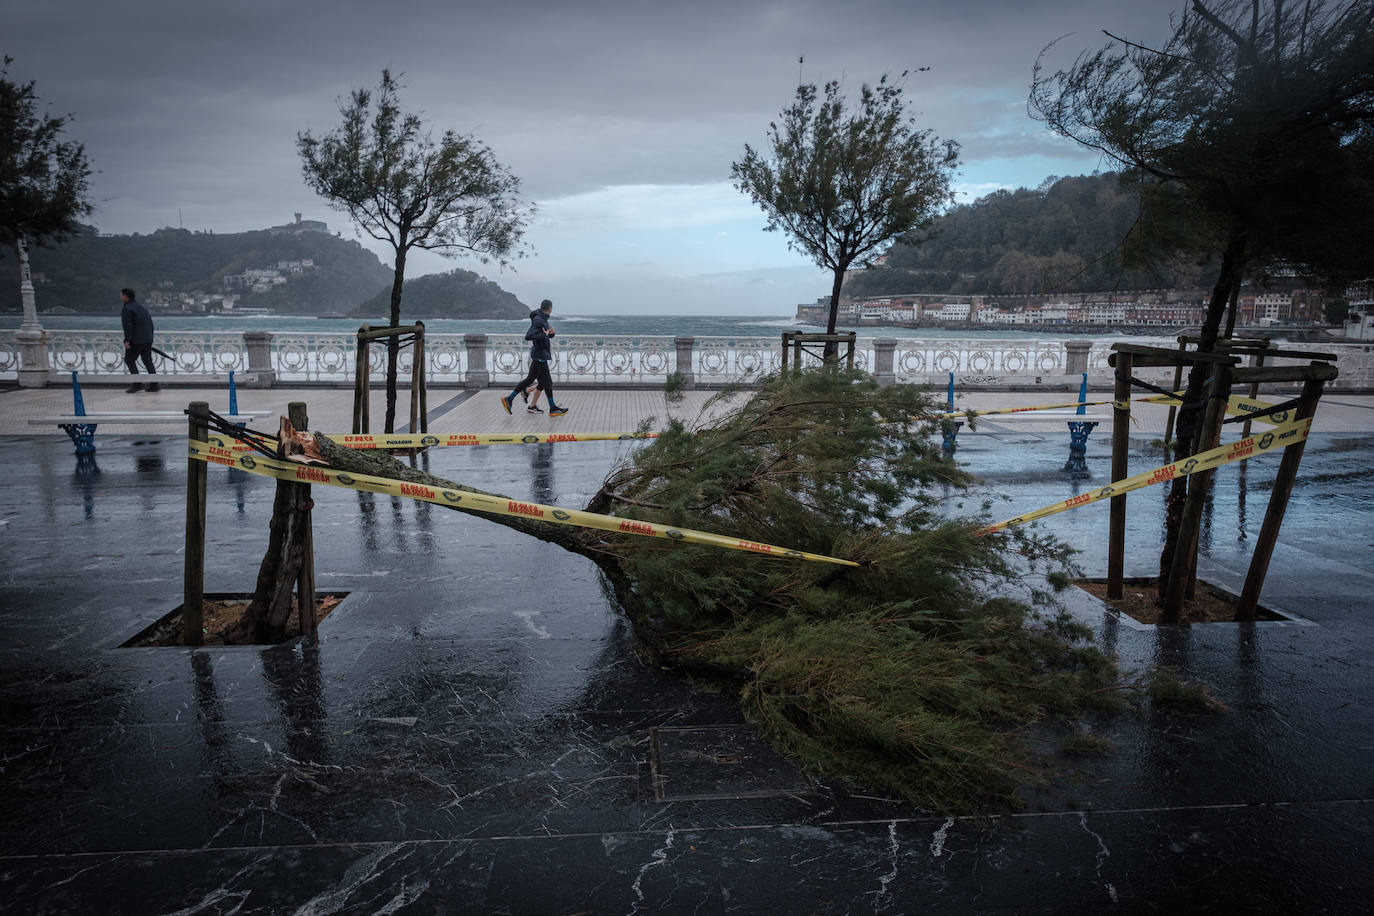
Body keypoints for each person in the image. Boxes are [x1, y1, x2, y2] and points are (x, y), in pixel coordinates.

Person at [501, 299, 568, 417]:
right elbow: (529, 336)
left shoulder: (542, 319)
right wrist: (545, 334)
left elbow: (544, 334)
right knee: (546, 383)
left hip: (540, 355)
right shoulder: (539, 320)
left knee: (533, 381)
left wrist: (551, 334)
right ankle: (552, 408)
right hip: (539, 356)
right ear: (550, 308)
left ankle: (512, 399)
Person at [120, 288, 159, 393]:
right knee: (147, 361)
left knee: (129, 360)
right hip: (147, 339)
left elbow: (128, 325)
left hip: (136, 340)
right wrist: (150, 338)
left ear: (125, 296)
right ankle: (154, 384)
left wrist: (127, 340)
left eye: (121, 295)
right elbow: (150, 324)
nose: (120, 297)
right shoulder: (141, 308)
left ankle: (137, 384)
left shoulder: (127, 308)